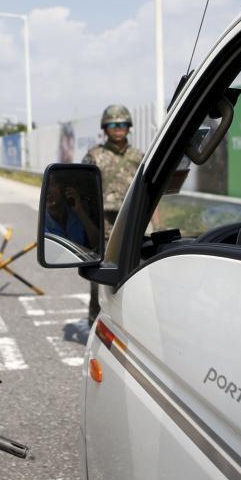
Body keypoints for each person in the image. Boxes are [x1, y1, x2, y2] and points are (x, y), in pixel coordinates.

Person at [82, 104, 144, 321]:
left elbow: (148, 191)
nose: (118, 128)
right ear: (105, 128)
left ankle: (127, 316)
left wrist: (157, 222)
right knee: (98, 274)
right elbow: (84, 191)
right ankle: (94, 315)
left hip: (131, 220)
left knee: (132, 271)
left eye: (123, 124)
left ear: (129, 127)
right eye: (113, 125)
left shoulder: (139, 156)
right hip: (101, 223)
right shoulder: (94, 156)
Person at [43, 175, 100, 249]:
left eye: (51, 185)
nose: (46, 191)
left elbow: (97, 245)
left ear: (64, 190)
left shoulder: (78, 214)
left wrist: (80, 212)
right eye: (44, 187)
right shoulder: (43, 223)